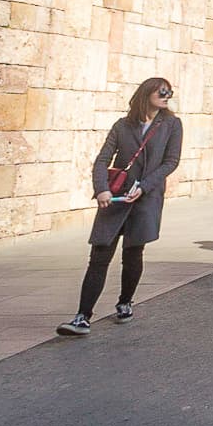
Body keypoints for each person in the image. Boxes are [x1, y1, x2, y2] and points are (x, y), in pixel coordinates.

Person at [57, 77, 183, 337]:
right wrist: (101, 188)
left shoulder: (171, 125)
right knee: (100, 256)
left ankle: (125, 302)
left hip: (146, 199)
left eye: (169, 92)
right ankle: (83, 316)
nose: (166, 95)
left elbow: (171, 162)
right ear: (146, 94)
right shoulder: (122, 126)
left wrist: (145, 186)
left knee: (133, 253)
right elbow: (103, 159)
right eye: (162, 91)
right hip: (115, 198)